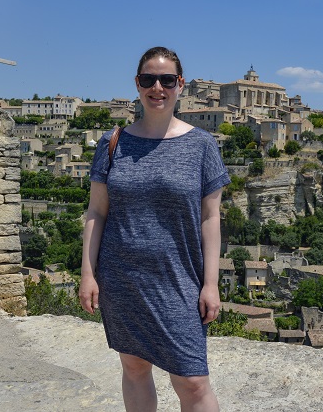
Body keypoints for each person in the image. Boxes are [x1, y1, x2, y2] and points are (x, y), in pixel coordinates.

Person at [79, 47, 230, 412]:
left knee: (193, 382)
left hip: (179, 279)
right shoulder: (112, 143)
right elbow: (96, 212)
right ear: (137, 84)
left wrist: (211, 283)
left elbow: (211, 218)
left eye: (166, 80)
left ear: (180, 85)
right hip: (122, 278)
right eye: (148, 79)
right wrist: (88, 274)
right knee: (133, 367)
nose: (157, 87)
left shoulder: (202, 145)